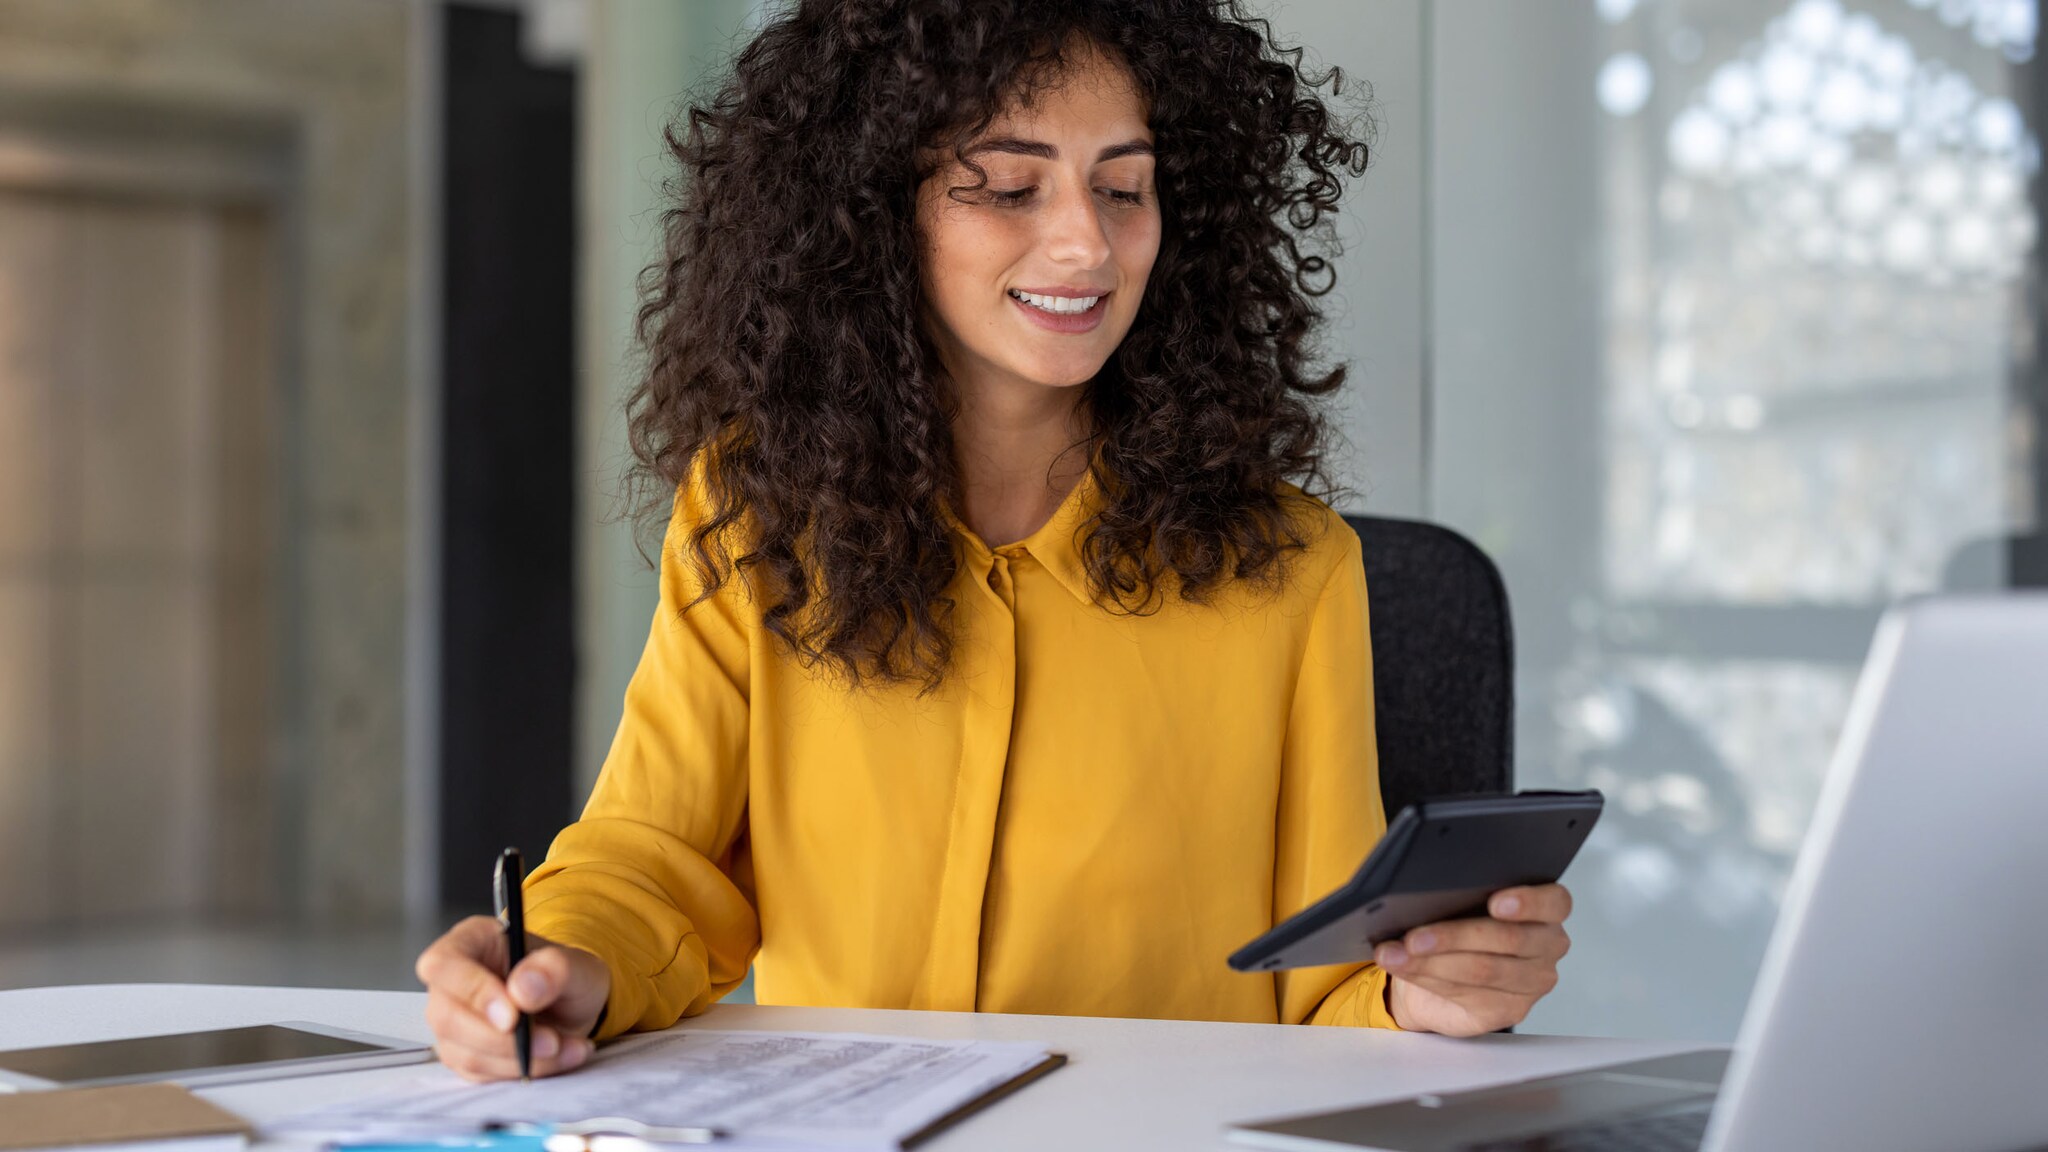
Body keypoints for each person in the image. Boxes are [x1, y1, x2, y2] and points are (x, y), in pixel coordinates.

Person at [414, 0, 1573, 1082]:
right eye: (1009, 188)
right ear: (876, 211)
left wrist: (1429, 995)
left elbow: (1332, 993)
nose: (1085, 244)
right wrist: (560, 963)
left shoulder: (1294, 570)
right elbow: (652, 863)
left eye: (1123, 189)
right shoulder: (758, 514)